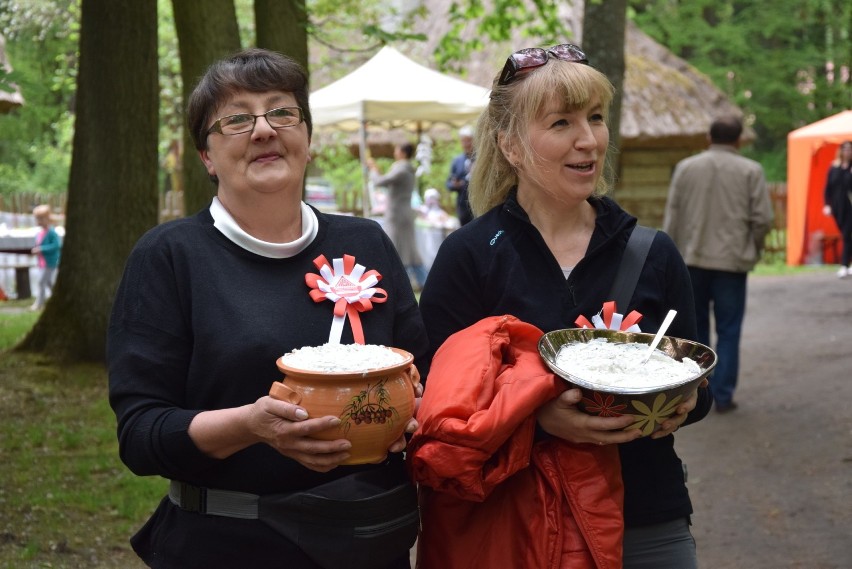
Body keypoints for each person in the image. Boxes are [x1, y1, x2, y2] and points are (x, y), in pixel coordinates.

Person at [107, 48, 428, 569]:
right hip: (230, 548)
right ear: (207, 156)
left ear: (306, 138)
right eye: (236, 119)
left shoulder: (366, 241)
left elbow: (424, 372)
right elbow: (141, 435)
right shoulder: (169, 258)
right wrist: (252, 426)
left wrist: (412, 414)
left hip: (371, 544)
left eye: (281, 112)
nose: (263, 130)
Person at [412, 44, 711, 568]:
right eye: (561, 123)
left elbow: (699, 380)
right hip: (519, 527)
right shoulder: (469, 258)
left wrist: (679, 403)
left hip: (647, 520)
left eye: (596, 118)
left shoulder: (652, 253)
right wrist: (538, 419)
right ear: (510, 145)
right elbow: (437, 412)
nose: (589, 139)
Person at [663, 116, 773, 413]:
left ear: (708, 137)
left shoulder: (686, 168)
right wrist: (754, 247)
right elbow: (763, 219)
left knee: (696, 329)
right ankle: (723, 395)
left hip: (692, 259)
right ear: (738, 140)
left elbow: (673, 214)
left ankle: (698, 394)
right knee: (729, 329)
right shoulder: (751, 170)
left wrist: (669, 257)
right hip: (732, 262)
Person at [367, 143, 428, 290]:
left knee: (398, 249)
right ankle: (421, 281)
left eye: (397, 149)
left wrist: (373, 169)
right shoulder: (407, 169)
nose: (395, 151)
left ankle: (404, 284)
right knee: (408, 250)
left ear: (402, 152)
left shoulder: (401, 168)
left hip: (398, 214)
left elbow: (379, 182)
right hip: (403, 213)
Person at [822, 140, 852, 277]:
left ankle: (844, 264)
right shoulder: (834, 167)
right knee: (846, 234)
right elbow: (828, 188)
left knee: (847, 234)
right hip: (837, 207)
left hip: (850, 205)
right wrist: (827, 204)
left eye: (849, 149)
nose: (847, 152)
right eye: (845, 149)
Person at [30, 204, 62, 310]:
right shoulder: (40, 233)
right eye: (37, 218)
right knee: (49, 283)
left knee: (41, 282)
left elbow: (56, 245)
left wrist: (41, 249)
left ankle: (39, 304)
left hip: (50, 262)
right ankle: (58, 300)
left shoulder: (51, 232)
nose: (39, 221)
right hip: (42, 262)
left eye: (41, 218)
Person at [445, 125, 475, 225]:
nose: (466, 144)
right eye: (464, 141)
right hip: (463, 208)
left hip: (479, 205)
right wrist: (455, 185)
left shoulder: (481, 160)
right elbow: (448, 184)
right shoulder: (457, 161)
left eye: (469, 141)